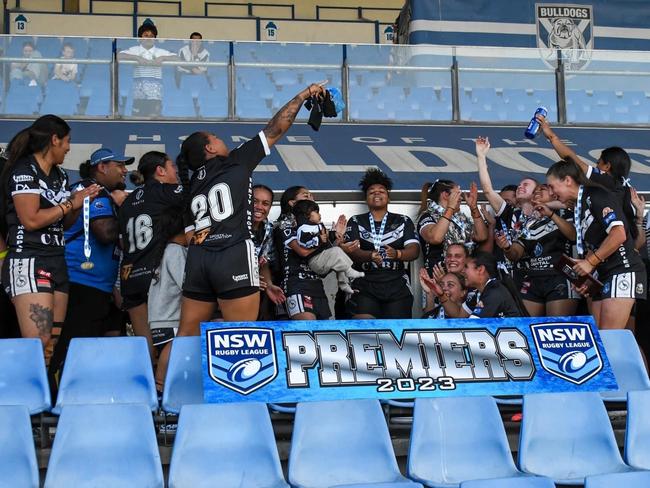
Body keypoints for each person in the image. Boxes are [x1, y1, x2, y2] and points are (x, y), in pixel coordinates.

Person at [175, 83, 328, 333]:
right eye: (217, 138)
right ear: (209, 148)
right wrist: (303, 95)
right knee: (243, 332)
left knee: (185, 334)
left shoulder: (191, 183)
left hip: (198, 259)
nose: (222, 141)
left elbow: (191, 235)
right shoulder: (234, 161)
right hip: (232, 252)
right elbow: (276, 127)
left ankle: (161, 375)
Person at [0, 115, 99, 357]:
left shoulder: (61, 175)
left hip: (56, 259)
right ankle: (21, 393)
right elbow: (31, 220)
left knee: (51, 344)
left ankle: (41, 394)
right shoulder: (24, 170)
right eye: (67, 141)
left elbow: (63, 224)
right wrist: (69, 204)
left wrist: (77, 205)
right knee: (38, 340)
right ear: (54, 140)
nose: (68, 147)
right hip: (29, 259)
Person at [49, 148, 132, 377]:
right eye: (120, 165)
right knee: (73, 348)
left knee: (90, 351)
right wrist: (126, 212)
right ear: (102, 167)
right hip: (81, 284)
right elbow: (104, 232)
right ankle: (56, 399)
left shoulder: (101, 192)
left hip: (96, 286)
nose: (125, 171)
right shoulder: (91, 191)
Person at [546, 159, 646, 329]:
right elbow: (596, 245)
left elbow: (618, 234)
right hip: (603, 274)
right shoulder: (580, 204)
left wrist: (590, 262)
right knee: (601, 338)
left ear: (568, 180)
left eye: (551, 186)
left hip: (623, 270)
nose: (551, 192)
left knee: (610, 340)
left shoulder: (596, 195)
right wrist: (588, 276)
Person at [118, 151, 183, 360]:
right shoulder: (168, 191)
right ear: (160, 170)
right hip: (156, 276)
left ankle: (148, 390)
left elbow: (121, 240)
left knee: (146, 347)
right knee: (172, 343)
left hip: (130, 277)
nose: (177, 172)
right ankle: (164, 387)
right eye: (173, 167)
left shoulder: (127, 202)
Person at [345, 168, 420, 319]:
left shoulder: (403, 220)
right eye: (372, 192)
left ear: (389, 198)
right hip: (365, 281)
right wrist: (370, 255)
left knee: (396, 331)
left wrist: (398, 254)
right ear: (366, 199)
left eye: (382, 191)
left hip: (396, 282)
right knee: (364, 329)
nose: (377, 193)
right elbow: (352, 252)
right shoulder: (356, 220)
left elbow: (414, 250)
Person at [148, 209, 187, 392]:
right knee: (172, 357)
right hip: (170, 318)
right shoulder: (176, 251)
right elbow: (185, 284)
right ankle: (160, 390)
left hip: (158, 319)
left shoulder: (163, 250)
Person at [291, 199, 363, 294]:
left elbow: (327, 235)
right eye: (316, 212)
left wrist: (335, 234)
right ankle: (349, 272)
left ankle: (344, 284)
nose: (319, 215)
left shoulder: (318, 226)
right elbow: (304, 242)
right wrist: (319, 240)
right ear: (307, 215)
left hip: (323, 257)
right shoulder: (303, 228)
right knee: (337, 252)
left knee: (339, 261)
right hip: (315, 260)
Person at [417, 180, 487, 276]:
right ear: (445, 195)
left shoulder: (460, 217)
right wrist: (450, 208)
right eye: (458, 194)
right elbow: (435, 238)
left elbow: (481, 236)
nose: (461, 198)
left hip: (465, 277)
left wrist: (473, 207)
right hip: (440, 278)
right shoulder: (428, 216)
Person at [117, 21, 177, 117]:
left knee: (154, 120)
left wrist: (163, 58)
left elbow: (177, 58)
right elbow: (118, 56)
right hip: (138, 95)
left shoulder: (160, 52)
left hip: (156, 96)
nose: (149, 38)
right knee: (137, 120)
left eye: (151, 36)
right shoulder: (134, 50)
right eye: (146, 35)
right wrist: (136, 58)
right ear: (140, 38)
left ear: (155, 39)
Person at [251, 184, 285, 319]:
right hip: (228, 288)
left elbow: (264, 261)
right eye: (254, 201)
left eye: (265, 203)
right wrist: (247, 279)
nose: (259, 207)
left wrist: (269, 285)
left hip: (253, 289)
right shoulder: (233, 224)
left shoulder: (268, 228)